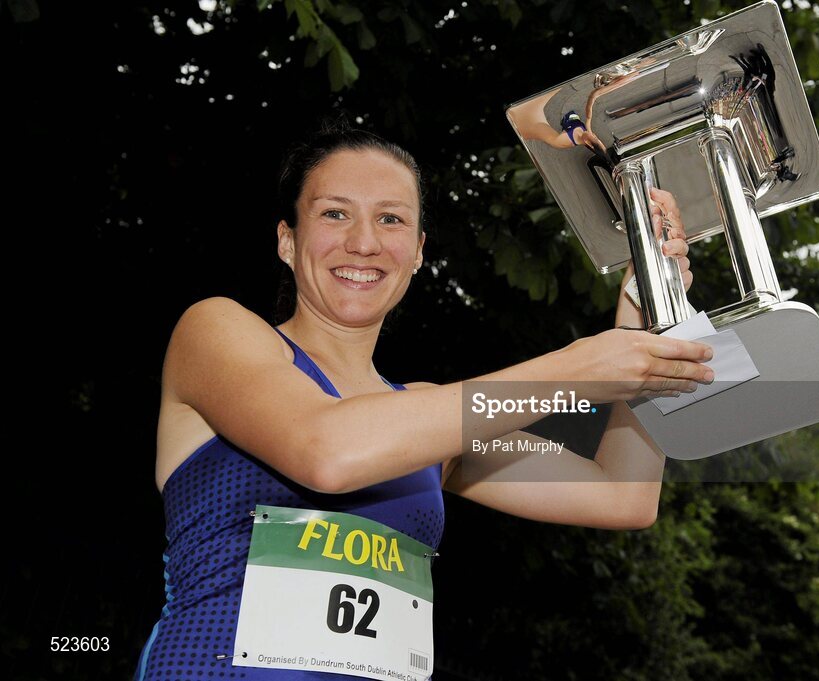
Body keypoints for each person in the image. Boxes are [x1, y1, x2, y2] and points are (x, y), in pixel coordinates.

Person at [132, 118, 712, 681]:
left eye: (391, 220)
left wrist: (642, 324)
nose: (363, 243)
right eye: (335, 213)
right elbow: (325, 449)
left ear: (417, 251)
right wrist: (575, 370)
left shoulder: (432, 423)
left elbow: (624, 496)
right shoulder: (215, 332)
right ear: (288, 241)